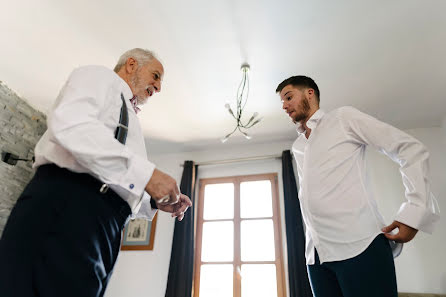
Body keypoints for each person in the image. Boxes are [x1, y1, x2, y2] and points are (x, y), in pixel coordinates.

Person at [0, 48, 192, 297]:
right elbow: (72, 125)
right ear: (132, 64)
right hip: (69, 206)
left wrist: (155, 202)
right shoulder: (99, 77)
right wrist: (147, 175)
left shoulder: (131, 119)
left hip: (104, 227)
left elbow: (119, 181)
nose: (158, 87)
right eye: (155, 76)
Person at [277, 75, 440, 297]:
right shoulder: (298, 146)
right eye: (282, 102)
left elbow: (410, 149)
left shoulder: (343, 118)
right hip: (316, 257)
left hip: (360, 247)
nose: (284, 106)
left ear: (310, 93)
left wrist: (414, 213)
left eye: (288, 97)